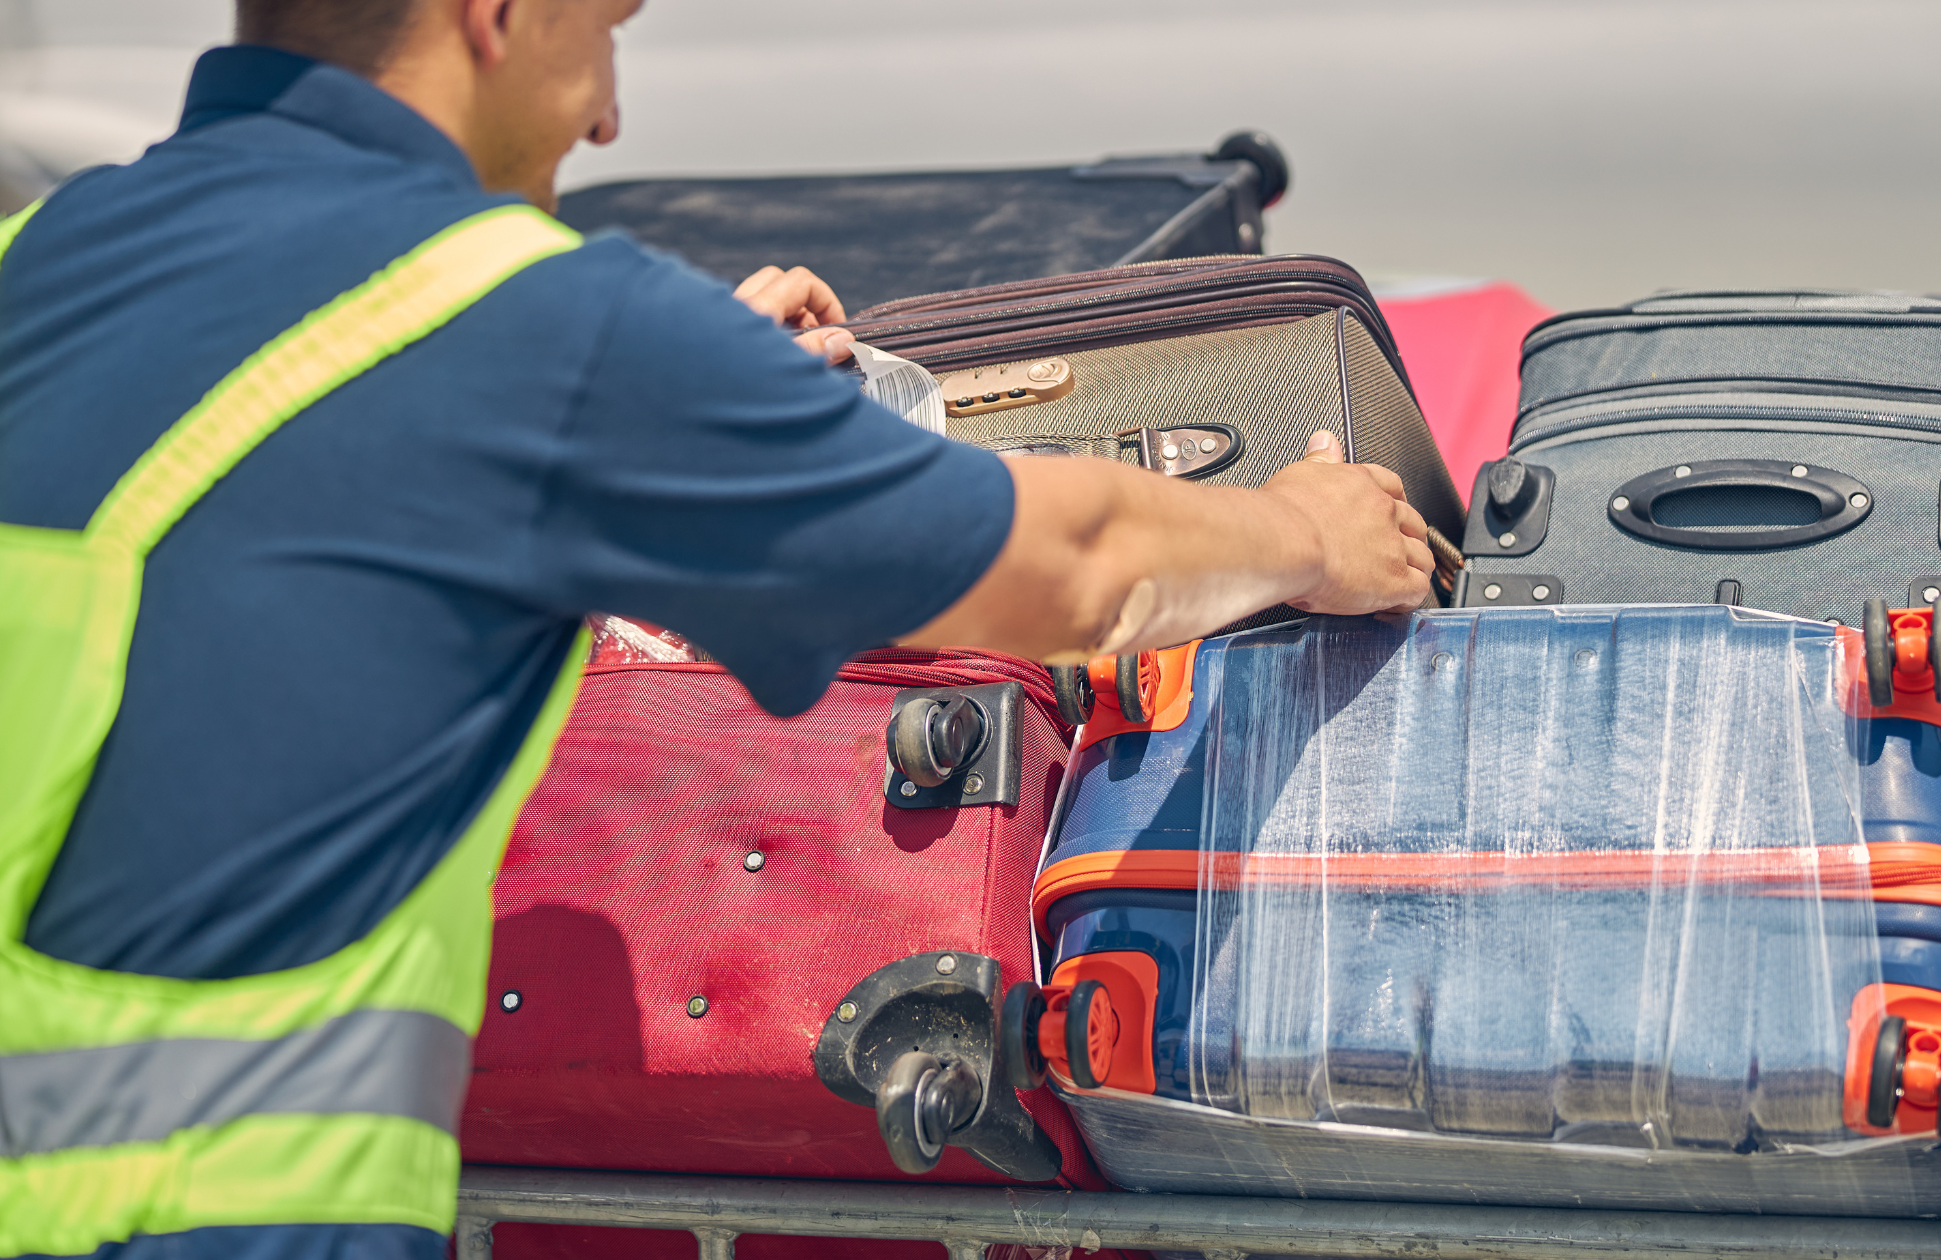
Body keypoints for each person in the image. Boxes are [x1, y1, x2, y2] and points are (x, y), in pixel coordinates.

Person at [0, 1, 1432, 1257]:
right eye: (605, 28)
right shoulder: (524, 328)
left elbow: (262, 543)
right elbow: (1078, 565)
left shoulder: (33, 258)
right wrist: (1306, 527)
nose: (609, 115)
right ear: (492, 13)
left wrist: (691, 406)